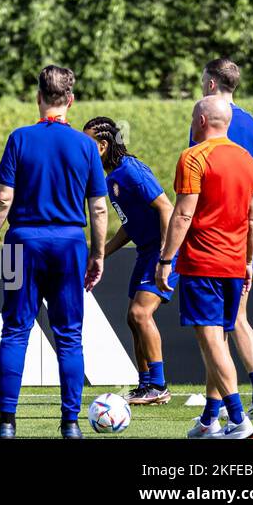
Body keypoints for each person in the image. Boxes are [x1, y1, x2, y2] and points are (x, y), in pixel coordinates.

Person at [0, 66, 108, 439]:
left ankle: (6, 423)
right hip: (69, 243)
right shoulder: (86, 146)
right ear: (70, 100)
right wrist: (98, 254)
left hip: (24, 241)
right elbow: (99, 208)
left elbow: (4, 198)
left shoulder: (19, 138)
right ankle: (70, 424)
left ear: (38, 97)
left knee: (16, 331)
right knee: (69, 335)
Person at [161, 96, 253, 439]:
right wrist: (248, 261)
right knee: (215, 340)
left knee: (212, 342)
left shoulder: (193, 157)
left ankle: (238, 419)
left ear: (203, 120)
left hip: (203, 262)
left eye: (193, 116)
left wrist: (165, 259)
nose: (191, 122)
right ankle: (209, 419)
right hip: (234, 263)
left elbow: (184, 214)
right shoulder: (249, 162)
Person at [191, 58, 253, 419]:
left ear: (212, 84)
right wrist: (246, 210)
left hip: (210, 242)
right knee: (236, 320)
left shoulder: (204, 119)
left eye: (202, 80)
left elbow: (194, 187)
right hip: (242, 239)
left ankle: (222, 414)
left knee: (215, 331)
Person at [83, 116, 177, 405]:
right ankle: (146, 385)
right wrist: (100, 254)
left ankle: (159, 386)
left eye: (86, 143)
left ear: (101, 146)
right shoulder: (112, 178)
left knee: (140, 314)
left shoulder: (130, 171)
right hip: (145, 252)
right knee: (132, 318)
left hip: (161, 253)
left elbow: (166, 208)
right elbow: (130, 224)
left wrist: (166, 256)